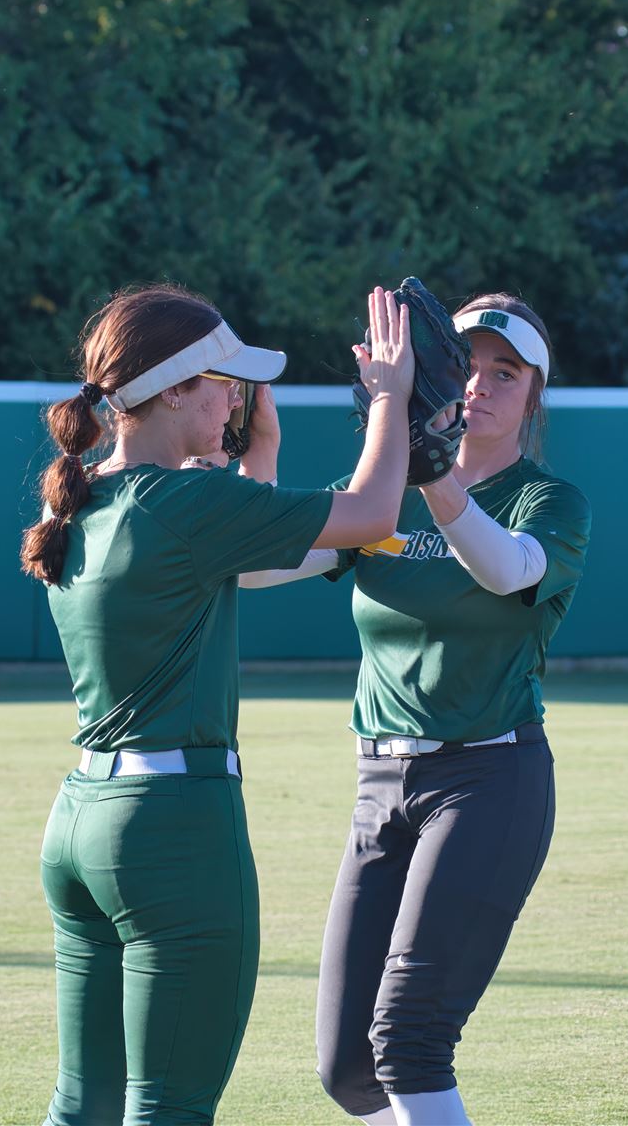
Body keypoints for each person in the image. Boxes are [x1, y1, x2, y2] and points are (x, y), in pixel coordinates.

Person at [21, 284, 417, 1126]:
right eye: (223, 380)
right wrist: (391, 399)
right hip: (173, 829)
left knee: (82, 1104)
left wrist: (259, 452)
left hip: (83, 822)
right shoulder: (185, 503)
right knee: (170, 1106)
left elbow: (234, 555)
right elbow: (376, 511)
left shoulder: (86, 495)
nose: (237, 396)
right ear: (171, 390)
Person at [240, 292, 592, 1126]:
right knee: (347, 1070)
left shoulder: (550, 503)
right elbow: (253, 568)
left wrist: (430, 471)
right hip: (378, 784)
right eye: (465, 364)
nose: (480, 384)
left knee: (407, 1040)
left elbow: (507, 570)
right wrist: (260, 450)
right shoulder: (379, 495)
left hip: (489, 779)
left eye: (505, 372)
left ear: (534, 394)